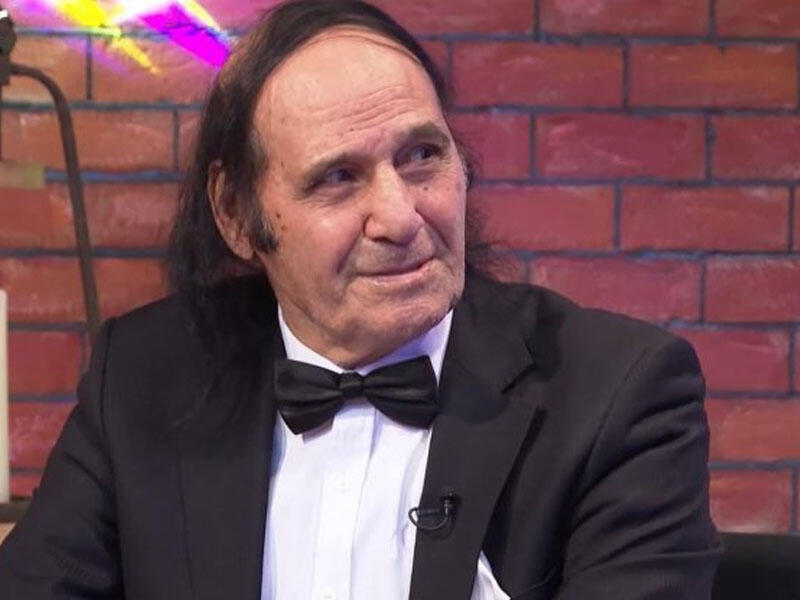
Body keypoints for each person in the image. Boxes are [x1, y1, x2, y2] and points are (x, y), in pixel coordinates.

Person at [0, 1, 722, 598]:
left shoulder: (619, 396)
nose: (401, 217)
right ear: (237, 214)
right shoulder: (144, 378)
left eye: (422, 156)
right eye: (338, 178)